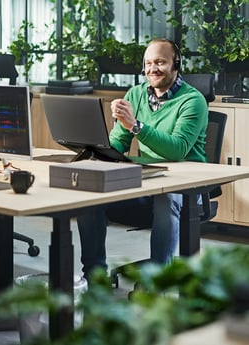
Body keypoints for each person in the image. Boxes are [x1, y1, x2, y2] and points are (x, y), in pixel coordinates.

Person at [77, 38, 209, 279]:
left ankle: (159, 278)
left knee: (166, 196)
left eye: (160, 62)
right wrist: (97, 151)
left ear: (176, 64)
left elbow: (177, 150)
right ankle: (94, 277)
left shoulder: (193, 101)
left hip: (185, 186)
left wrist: (136, 126)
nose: (152, 69)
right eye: (148, 63)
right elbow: (119, 143)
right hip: (146, 182)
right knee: (90, 194)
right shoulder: (135, 94)